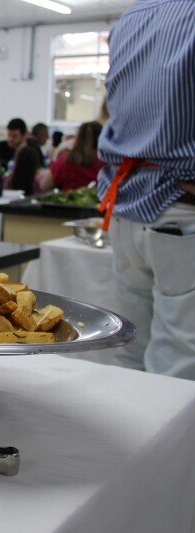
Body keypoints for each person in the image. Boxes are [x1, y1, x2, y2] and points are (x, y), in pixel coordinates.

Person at [96, 0, 195, 379]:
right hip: (180, 206)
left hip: (128, 206)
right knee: (180, 364)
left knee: (129, 354)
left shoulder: (132, 17)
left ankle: (134, 439)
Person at [43, 121, 105, 191]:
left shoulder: (64, 160)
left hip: (68, 200)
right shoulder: (108, 162)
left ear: (78, 137)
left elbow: (44, 186)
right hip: (102, 201)